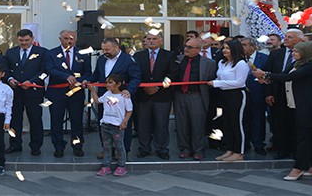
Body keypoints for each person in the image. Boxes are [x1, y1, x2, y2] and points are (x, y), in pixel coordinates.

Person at [253, 41, 312, 181]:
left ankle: (299, 167)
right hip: (293, 105)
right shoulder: (295, 64)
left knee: (304, 138)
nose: (293, 53)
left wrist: (266, 74)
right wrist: (266, 79)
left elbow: (289, 77)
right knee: (305, 136)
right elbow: (282, 76)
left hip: (306, 106)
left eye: (297, 51)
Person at [89, 38, 141, 155]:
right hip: (105, 96)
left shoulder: (128, 60)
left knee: (122, 124)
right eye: (103, 49)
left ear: (117, 48)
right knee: (104, 123)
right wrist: (87, 81)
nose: (104, 52)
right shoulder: (101, 59)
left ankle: (122, 151)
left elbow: (136, 77)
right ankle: (107, 149)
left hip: (121, 97)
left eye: (107, 49)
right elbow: (97, 75)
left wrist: (129, 90)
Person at [44, 30, 91, 158]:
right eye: (65, 38)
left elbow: (87, 73)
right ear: (60, 39)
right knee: (56, 121)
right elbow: (49, 69)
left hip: (76, 93)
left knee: (76, 121)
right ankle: (58, 147)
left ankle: (77, 146)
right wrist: (67, 77)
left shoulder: (83, 54)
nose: (68, 41)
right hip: (57, 93)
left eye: (71, 39)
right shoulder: (51, 53)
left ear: (76, 39)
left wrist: (80, 81)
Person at [133, 32, 178, 160]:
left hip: (162, 96)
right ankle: (144, 148)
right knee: (143, 124)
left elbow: (173, 73)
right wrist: (144, 87)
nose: (151, 41)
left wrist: (158, 87)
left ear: (161, 41)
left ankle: (162, 149)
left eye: (154, 39)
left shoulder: (169, 55)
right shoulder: (138, 56)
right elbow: (135, 73)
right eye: (149, 39)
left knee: (162, 123)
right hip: (143, 95)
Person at [4, 29, 47, 156]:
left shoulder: (42, 52)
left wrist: (32, 81)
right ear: (17, 39)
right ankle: (15, 144)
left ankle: (35, 146)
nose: (24, 43)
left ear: (32, 39)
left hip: (34, 91)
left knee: (35, 120)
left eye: (27, 40)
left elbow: (45, 71)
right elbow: (5, 70)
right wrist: (10, 79)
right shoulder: (10, 52)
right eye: (21, 40)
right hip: (15, 91)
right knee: (14, 120)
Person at [173, 38, 217, 160]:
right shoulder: (179, 60)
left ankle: (198, 150)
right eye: (185, 46)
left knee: (197, 124)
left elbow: (211, 80)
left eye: (190, 47)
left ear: (198, 50)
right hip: (180, 95)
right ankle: (184, 148)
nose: (186, 49)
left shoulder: (209, 63)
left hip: (197, 95)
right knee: (181, 124)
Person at [265, 28, 303, 159]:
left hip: (297, 92)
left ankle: (297, 150)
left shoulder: (304, 55)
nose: (286, 39)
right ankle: (282, 149)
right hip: (278, 93)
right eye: (286, 36)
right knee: (279, 122)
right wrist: (268, 93)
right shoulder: (276, 54)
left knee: (295, 122)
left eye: (290, 37)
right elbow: (267, 74)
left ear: (299, 40)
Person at [208, 40, 248, 162]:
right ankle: (229, 149)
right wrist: (214, 82)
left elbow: (239, 82)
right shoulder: (222, 62)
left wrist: (216, 83)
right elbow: (220, 77)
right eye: (224, 48)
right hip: (223, 94)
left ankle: (239, 152)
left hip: (236, 95)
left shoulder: (241, 64)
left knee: (237, 123)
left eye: (228, 48)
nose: (224, 50)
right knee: (226, 123)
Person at [88, 75, 133, 177]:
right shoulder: (107, 93)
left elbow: (129, 111)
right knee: (107, 147)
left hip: (117, 126)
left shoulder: (124, 96)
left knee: (119, 146)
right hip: (105, 124)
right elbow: (98, 101)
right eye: (107, 82)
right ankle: (106, 166)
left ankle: (121, 166)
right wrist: (92, 90)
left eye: (111, 82)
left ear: (118, 84)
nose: (107, 85)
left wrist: (124, 122)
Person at [241, 37, 269, 156]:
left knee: (258, 120)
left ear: (253, 47)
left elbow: (268, 76)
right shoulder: (238, 59)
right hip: (242, 95)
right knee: (244, 120)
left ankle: (259, 144)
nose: (242, 47)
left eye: (244, 45)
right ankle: (245, 144)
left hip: (258, 93)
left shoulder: (264, 58)